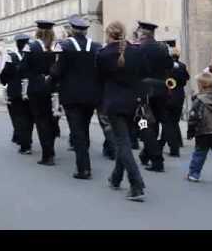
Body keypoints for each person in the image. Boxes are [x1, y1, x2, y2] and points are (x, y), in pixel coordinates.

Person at [97, 21, 146, 201]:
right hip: (133, 103)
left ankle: (136, 184)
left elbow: (99, 79)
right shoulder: (135, 51)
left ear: (109, 34)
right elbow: (142, 75)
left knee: (122, 144)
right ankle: (116, 178)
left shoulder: (103, 54)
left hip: (113, 104)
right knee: (124, 141)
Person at [50, 16, 102, 180]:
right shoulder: (95, 46)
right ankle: (84, 160)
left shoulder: (63, 46)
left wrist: (51, 77)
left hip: (71, 96)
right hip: (91, 95)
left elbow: (57, 71)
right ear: (85, 30)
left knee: (77, 130)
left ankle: (83, 168)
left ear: (71, 30)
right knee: (84, 128)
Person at [136, 21, 174, 172]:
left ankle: (156, 158)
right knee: (158, 121)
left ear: (142, 33)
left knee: (144, 123)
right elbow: (169, 66)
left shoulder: (139, 48)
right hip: (161, 89)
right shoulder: (162, 47)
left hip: (144, 90)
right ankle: (147, 153)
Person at [19, 20, 57, 166]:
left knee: (41, 121)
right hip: (53, 87)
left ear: (38, 32)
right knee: (52, 120)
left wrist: (34, 74)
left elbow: (22, 67)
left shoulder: (31, 46)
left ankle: (47, 155)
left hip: (36, 88)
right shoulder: (56, 46)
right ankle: (51, 150)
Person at [0, 34, 34, 154]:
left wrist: (4, 82)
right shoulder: (31, 56)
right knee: (29, 118)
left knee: (19, 118)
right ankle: (28, 140)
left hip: (15, 92)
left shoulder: (11, 57)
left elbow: (5, 74)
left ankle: (25, 145)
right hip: (30, 91)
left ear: (17, 44)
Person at [159, 47, 190, 157]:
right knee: (173, 121)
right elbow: (187, 78)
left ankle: (173, 148)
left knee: (167, 123)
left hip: (168, 95)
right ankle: (167, 143)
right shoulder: (182, 66)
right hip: (179, 96)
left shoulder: (165, 66)